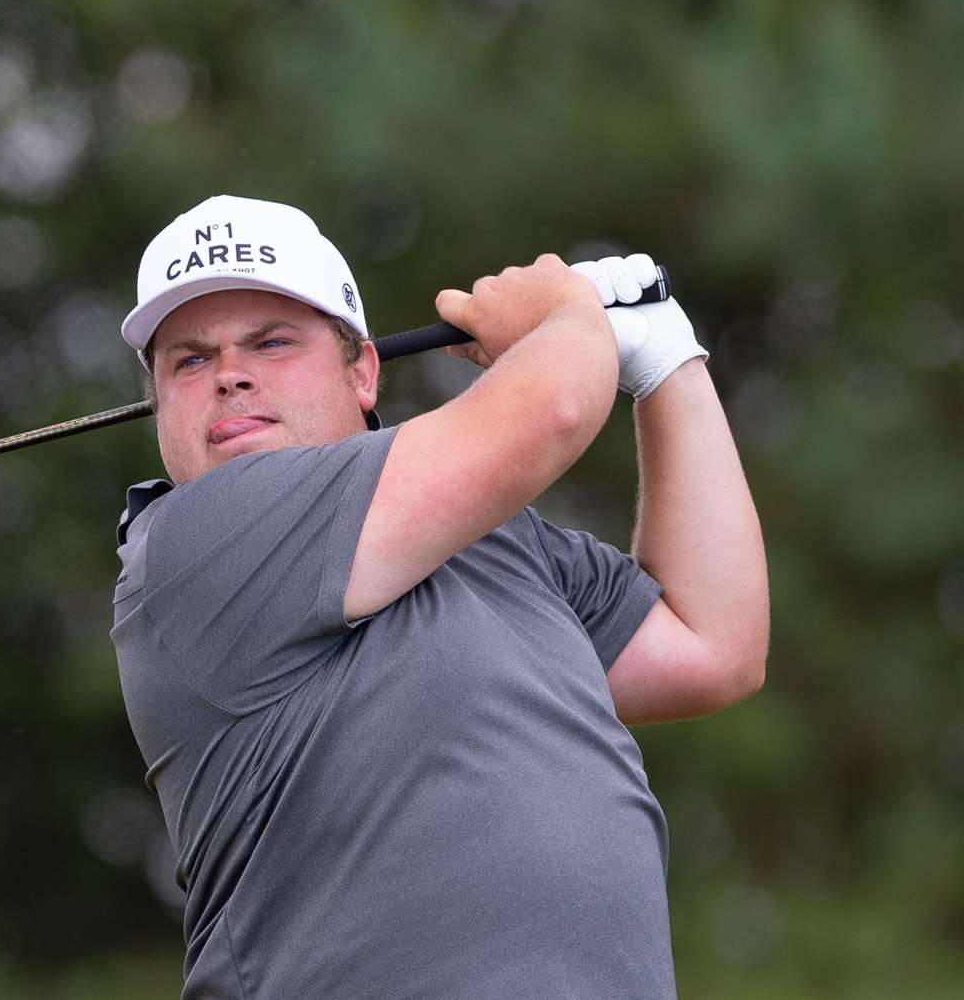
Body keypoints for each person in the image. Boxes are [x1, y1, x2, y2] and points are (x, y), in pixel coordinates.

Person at [108, 195, 767, 998]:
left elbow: (712, 646)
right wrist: (565, 313)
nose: (230, 374)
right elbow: (554, 406)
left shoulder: (498, 540)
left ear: (363, 370)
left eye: (271, 341)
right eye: (189, 359)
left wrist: (667, 363)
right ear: (160, 407)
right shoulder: (196, 540)